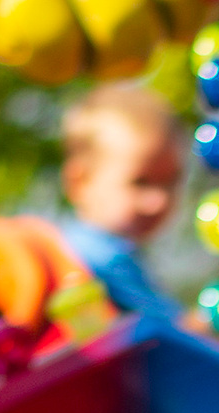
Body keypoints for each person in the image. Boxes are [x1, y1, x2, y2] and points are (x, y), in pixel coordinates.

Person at [56, 83, 186, 319]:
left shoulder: (114, 252)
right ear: (80, 183)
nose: (159, 201)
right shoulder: (95, 259)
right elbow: (169, 329)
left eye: (170, 183)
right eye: (140, 182)